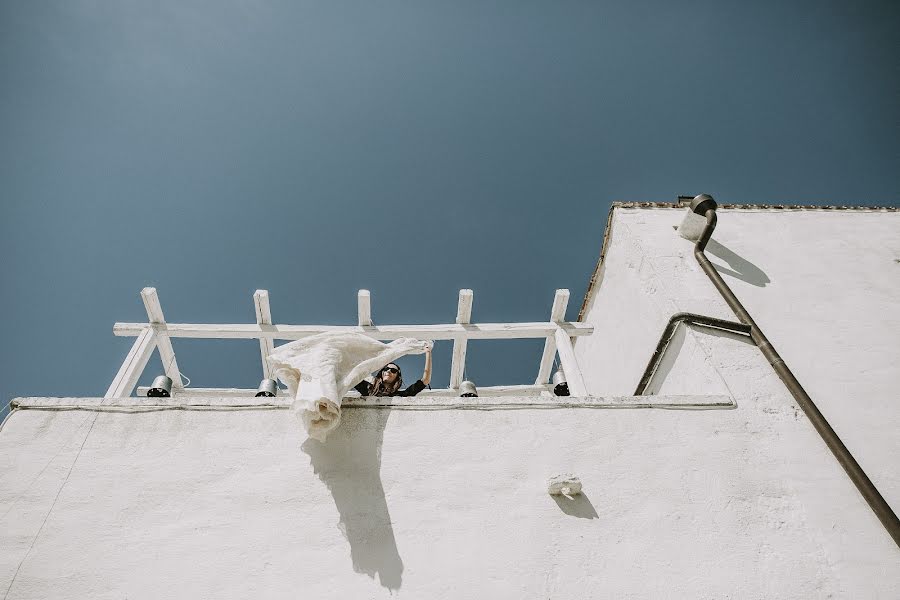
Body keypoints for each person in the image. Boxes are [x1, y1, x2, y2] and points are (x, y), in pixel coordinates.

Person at [354, 344, 432, 397]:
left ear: (397, 377)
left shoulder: (401, 395)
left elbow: (425, 380)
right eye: (386, 369)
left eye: (393, 370)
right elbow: (352, 375)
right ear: (382, 373)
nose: (388, 371)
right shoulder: (369, 389)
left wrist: (428, 352)